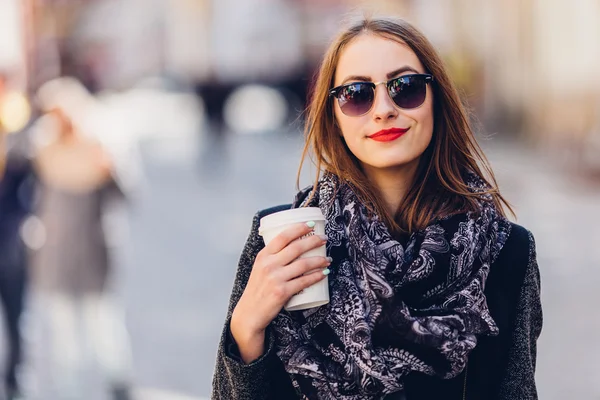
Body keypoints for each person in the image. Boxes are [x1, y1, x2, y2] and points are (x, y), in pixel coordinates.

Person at [211, 16, 543, 400]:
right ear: (333, 116)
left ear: (437, 100)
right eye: (357, 94)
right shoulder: (283, 240)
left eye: (405, 87)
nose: (383, 109)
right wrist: (246, 329)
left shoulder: (506, 251)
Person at [29, 77, 134, 400]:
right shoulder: (42, 150)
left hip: (92, 254)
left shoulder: (98, 147)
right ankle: (69, 392)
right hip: (56, 256)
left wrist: (110, 168)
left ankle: (119, 386)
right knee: (64, 340)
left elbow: (126, 195)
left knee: (104, 328)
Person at [0, 72, 35, 400]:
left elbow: (31, 179)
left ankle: (14, 377)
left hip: (10, 238)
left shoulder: (19, 126)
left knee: (16, 316)